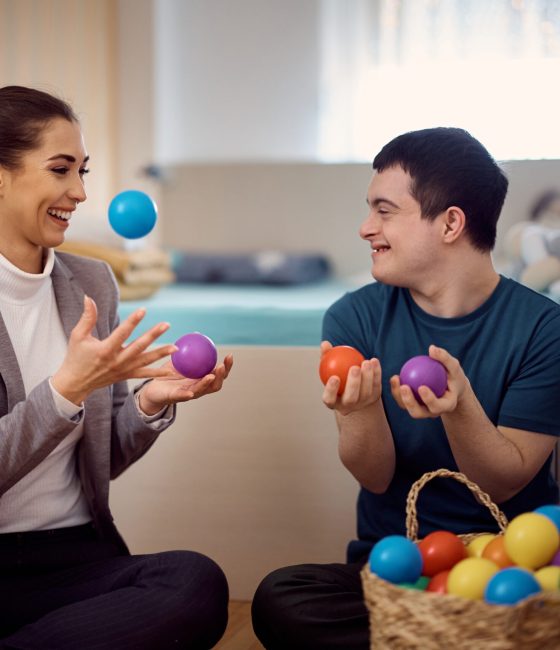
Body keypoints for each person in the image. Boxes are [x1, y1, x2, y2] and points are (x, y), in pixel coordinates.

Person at [251, 127, 560, 649]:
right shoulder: (354, 317)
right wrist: (361, 410)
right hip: (401, 569)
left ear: (451, 223)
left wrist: (459, 408)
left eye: (384, 210)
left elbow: (504, 481)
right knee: (281, 598)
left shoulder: (542, 328)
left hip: (510, 572)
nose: (366, 227)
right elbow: (374, 478)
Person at [0, 85, 233, 649]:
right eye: (60, 170)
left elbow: (104, 459)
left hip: (77, 554)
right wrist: (64, 391)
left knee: (195, 581)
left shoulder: (92, 284)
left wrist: (152, 403)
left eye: (83, 171)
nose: (80, 192)